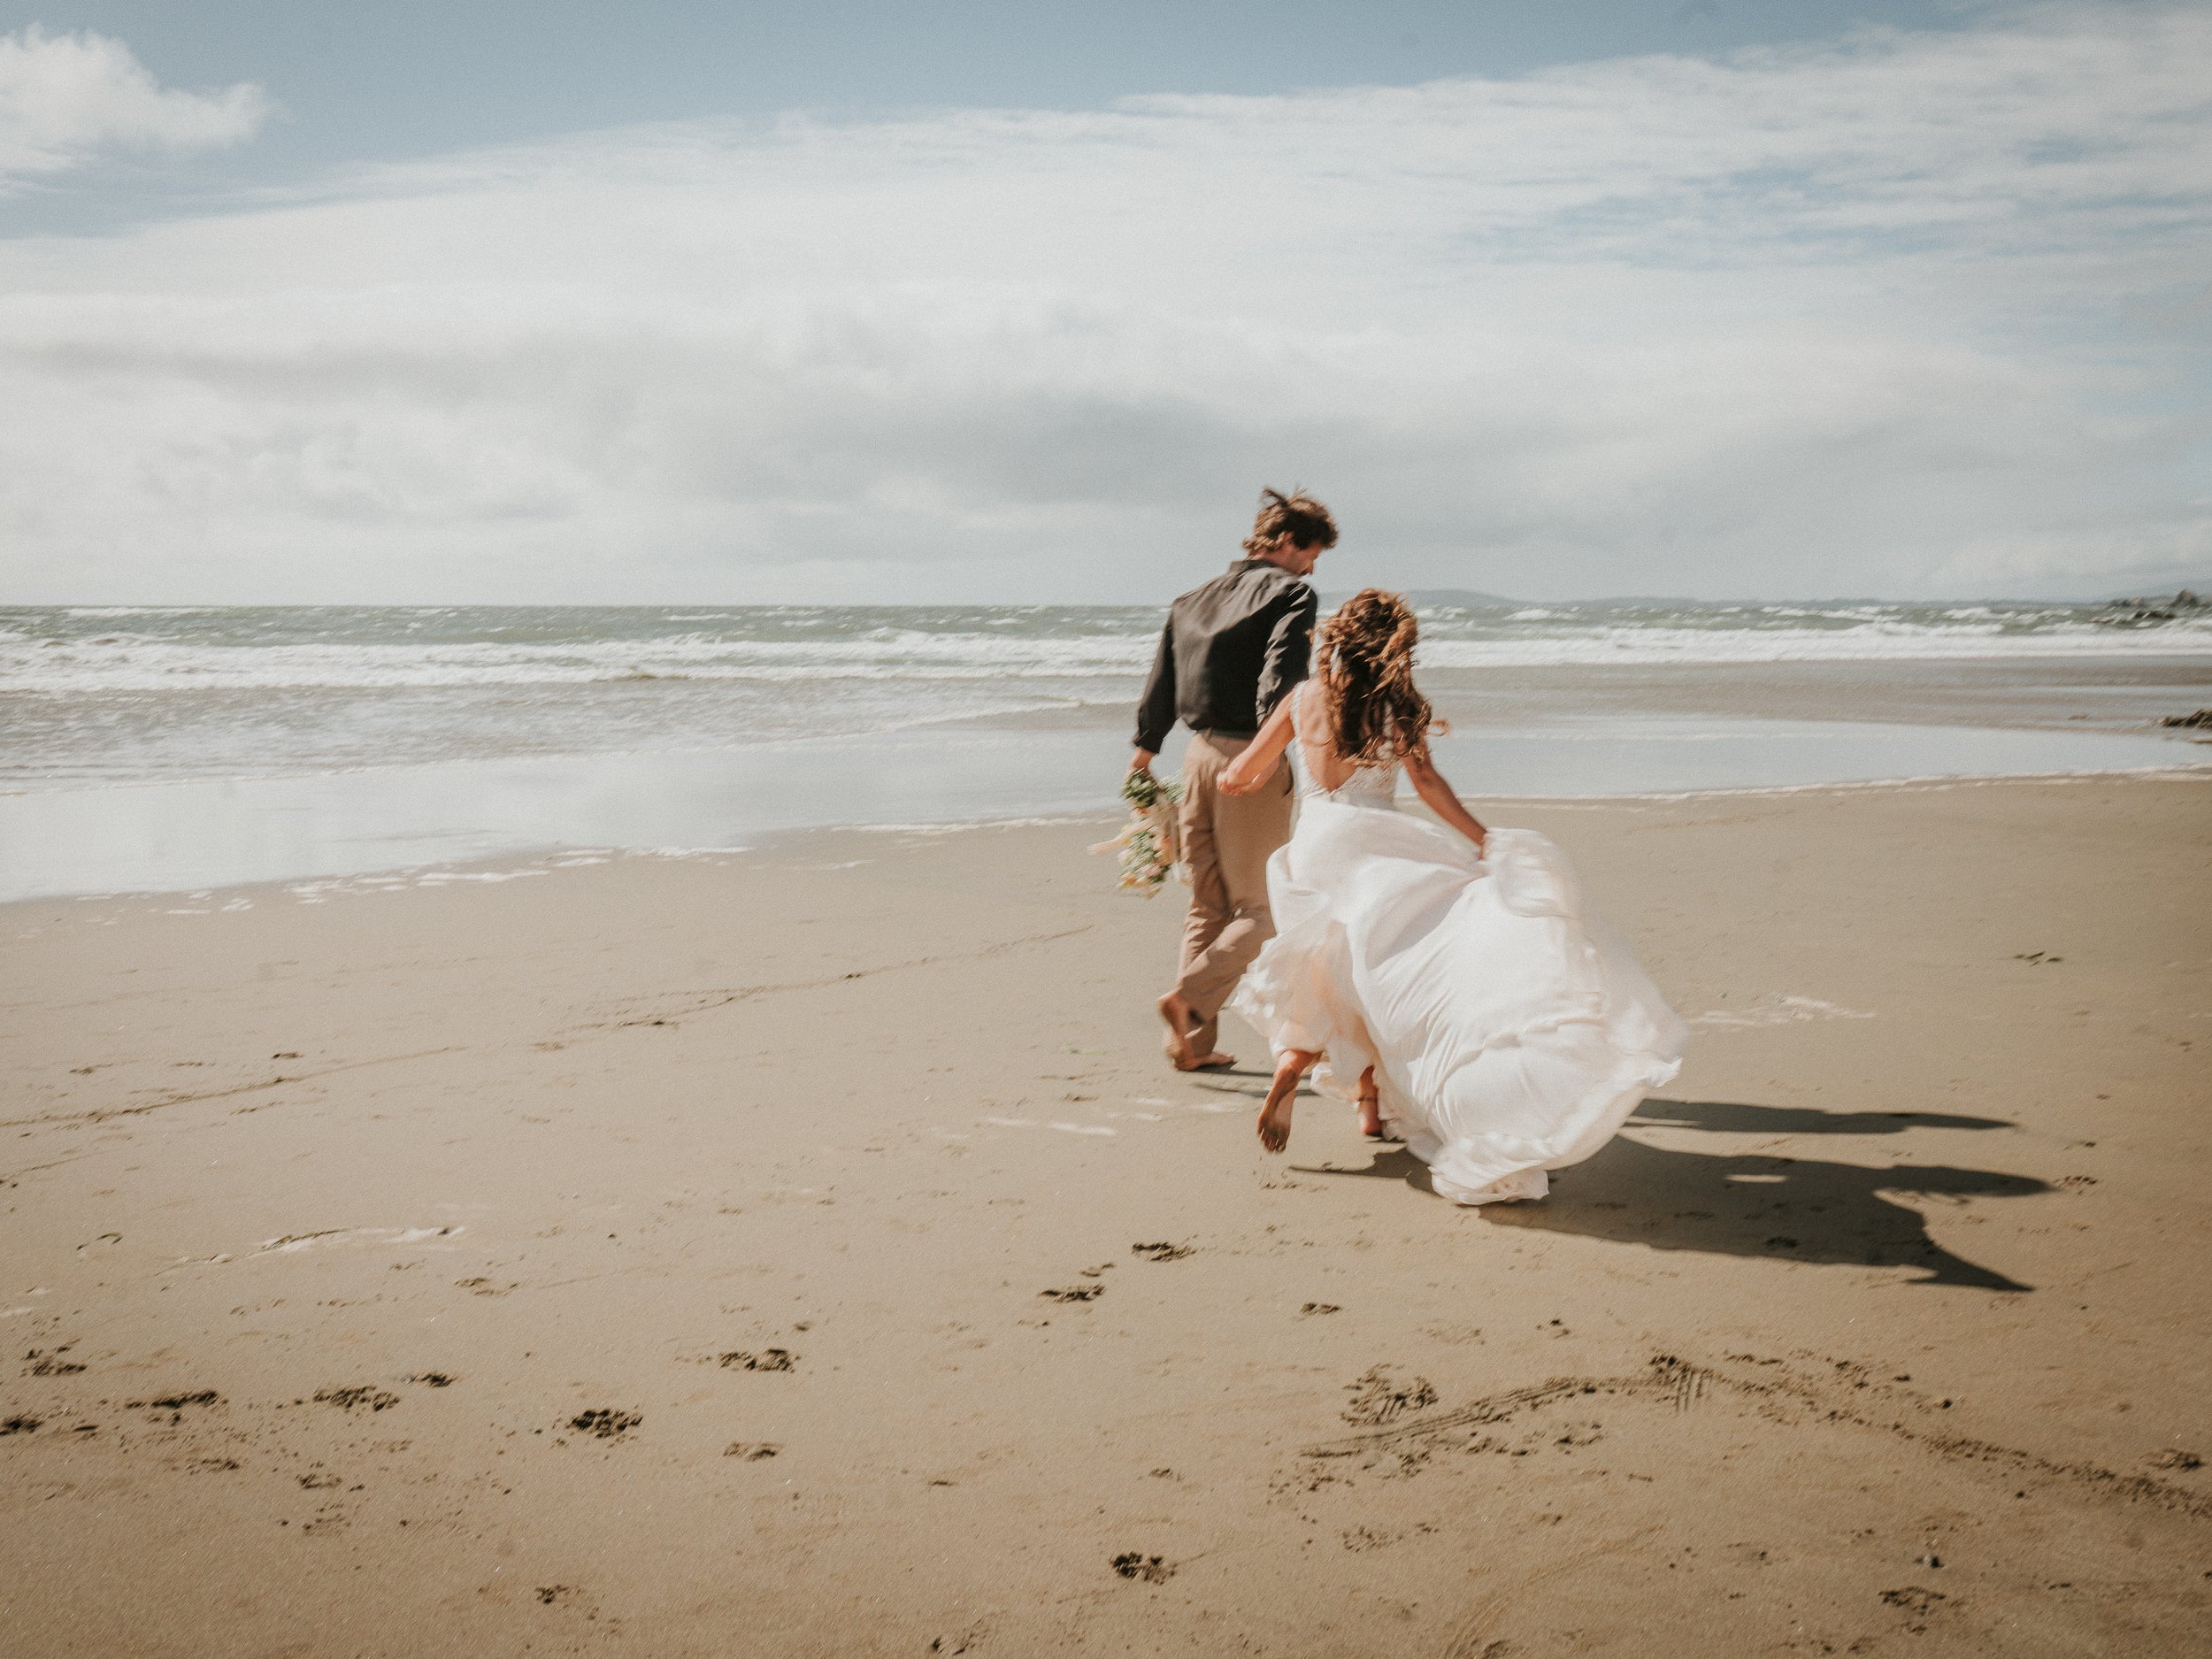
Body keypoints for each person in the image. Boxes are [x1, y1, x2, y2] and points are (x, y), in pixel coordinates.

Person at [1220, 588, 1687, 1204]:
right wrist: (1484, 840)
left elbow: (1241, 775)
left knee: (1327, 966)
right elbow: (1429, 782)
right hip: (1374, 843)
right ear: (1393, 648)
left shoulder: (1301, 698)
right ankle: (1366, 1102)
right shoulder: (1395, 706)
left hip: (1315, 844)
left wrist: (1237, 778)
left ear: (1337, 639)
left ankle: (1313, 1078)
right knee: (1385, 970)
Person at [1132, 488, 1338, 1071]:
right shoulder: (1292, 593)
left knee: (1207, 906)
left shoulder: (1191, 598)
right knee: (1261, 908)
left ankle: (1189, 1045)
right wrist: (1271, 753)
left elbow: (1163, 678)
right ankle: (1188, 1000)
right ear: (1287, 542)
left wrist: (1145, 749)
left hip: (1195, 755)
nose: (1313, 566)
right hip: (1250, 752)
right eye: (1311, 552)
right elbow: (1285, 676)